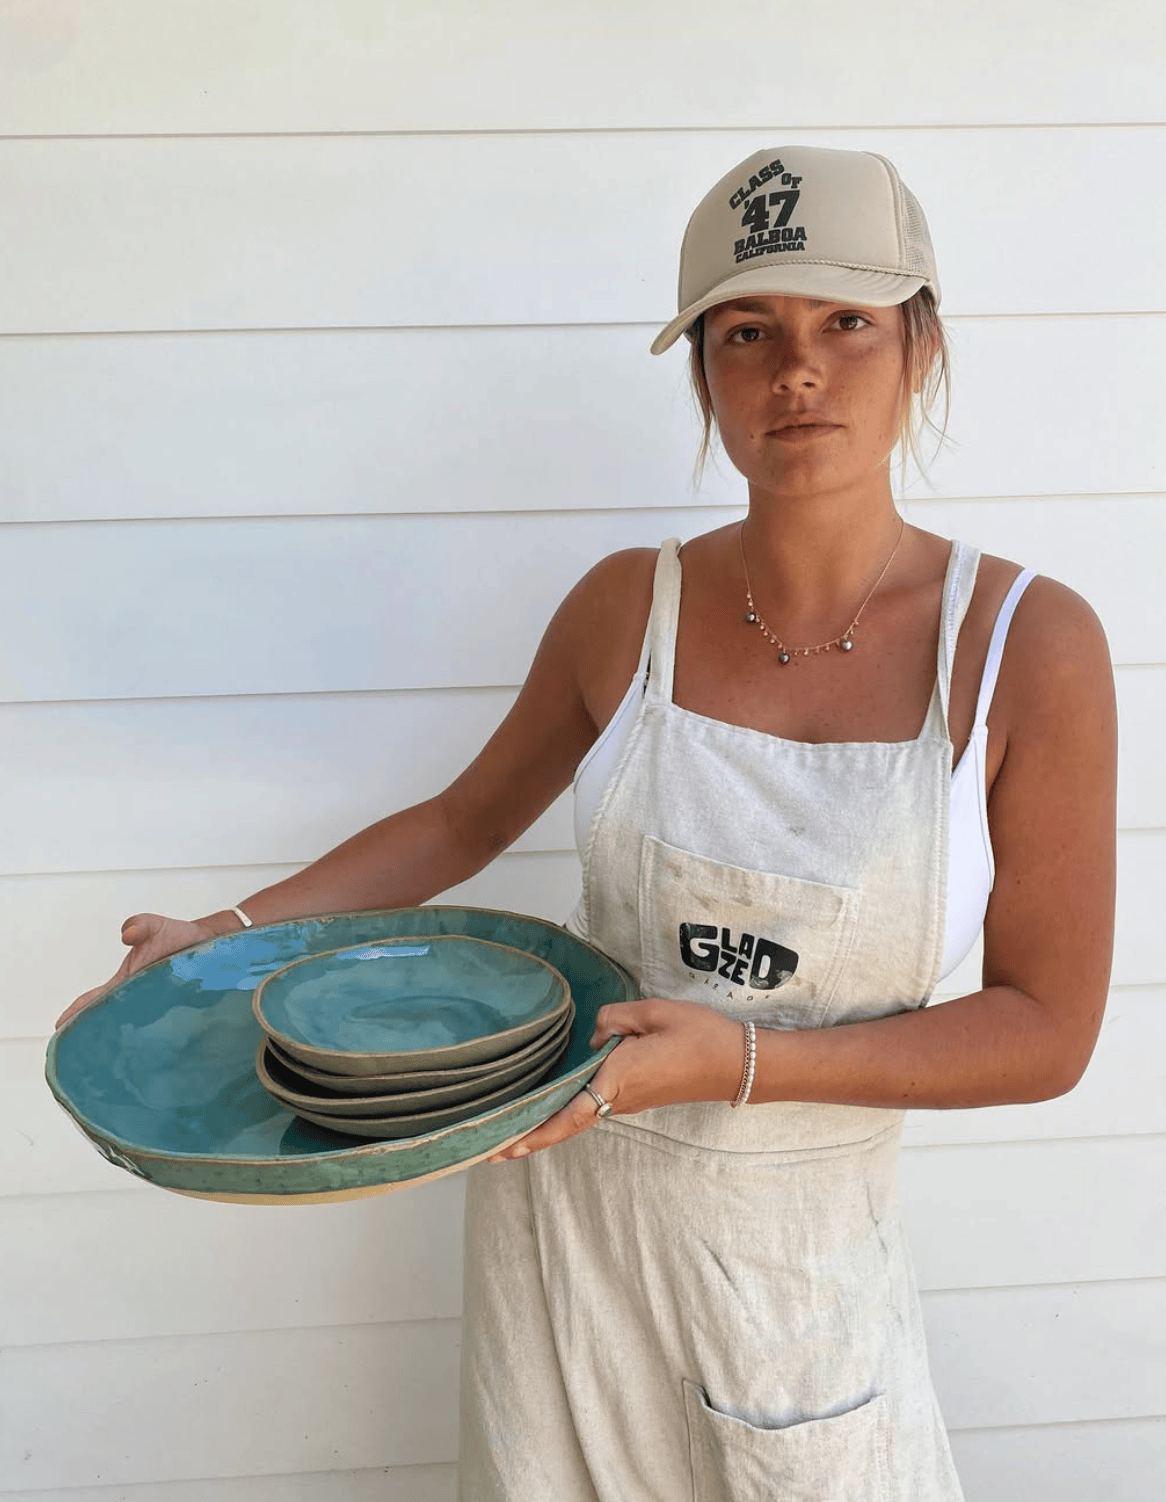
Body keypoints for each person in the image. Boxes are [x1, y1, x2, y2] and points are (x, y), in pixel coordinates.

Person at [62, 146, 1117, 1500]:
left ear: (919, 341)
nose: (796, 369)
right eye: (747, 333)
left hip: (796, 1271)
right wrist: (226, 934)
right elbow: (459, 821)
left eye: (844, 320)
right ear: (704, 377)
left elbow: (1045, 1029)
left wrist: (733, 1060)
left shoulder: (1025, 645)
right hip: (557, 1225)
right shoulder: (630, 608)